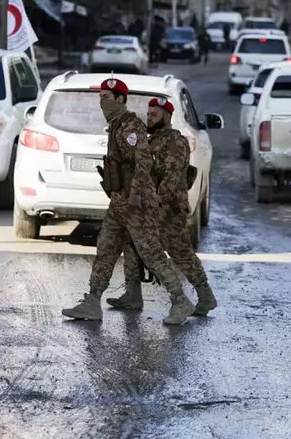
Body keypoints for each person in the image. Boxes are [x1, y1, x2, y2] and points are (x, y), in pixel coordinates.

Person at [61, 78, 196, 325]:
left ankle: (180, 300)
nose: (102, 102)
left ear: (121, 99)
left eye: (107, 97)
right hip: (119, 201)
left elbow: (143, 162)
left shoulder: (131, 126)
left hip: (136, 202)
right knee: (106, 248)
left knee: (151, 252)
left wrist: (135, 193)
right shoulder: (116, 125)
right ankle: (92, 301)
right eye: (101, 97)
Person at [108, 97, 218, 315]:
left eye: (154, 114)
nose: (150, 118)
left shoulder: (175, 141)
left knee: (180, 253)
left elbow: (172, 175)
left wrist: (158, 200)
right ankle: (133, 294)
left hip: (169, 208)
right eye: (148, 114)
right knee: (132, 245)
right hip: (148, 207)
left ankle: (205, 296)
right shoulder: (152, 140)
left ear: (167, 116)